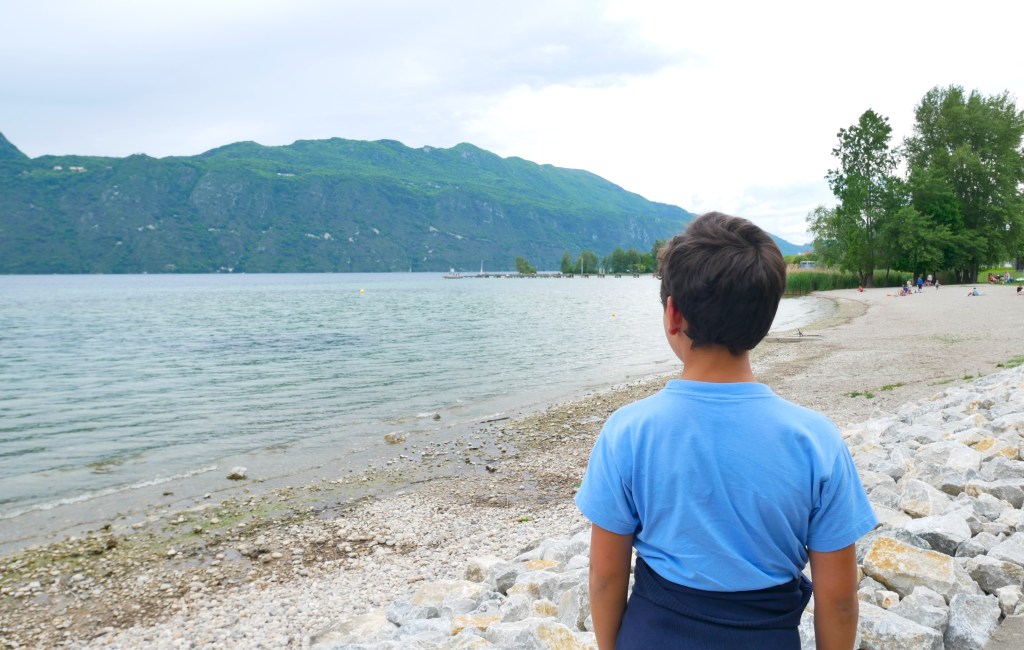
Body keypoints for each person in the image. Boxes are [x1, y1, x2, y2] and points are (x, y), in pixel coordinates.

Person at [576, 212, 877, 650]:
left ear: (673, 312)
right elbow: (839, 599)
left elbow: (606, 576)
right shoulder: (815, 440)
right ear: (766, 318)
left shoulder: (629, 431)